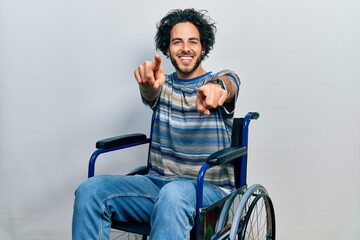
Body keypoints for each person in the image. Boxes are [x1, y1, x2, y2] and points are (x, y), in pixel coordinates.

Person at [72, 8, 240, 240]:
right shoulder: (163, 86)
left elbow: (230, 84)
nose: (185, 48)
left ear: (203, 47)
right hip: (156, 187)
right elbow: (151, 92)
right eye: (177, 42)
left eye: (193, 41)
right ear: (168, 49)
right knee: (89, 191)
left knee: (173, 194)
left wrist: (218, 88)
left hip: (209, 193)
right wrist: (147, 86)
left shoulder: (220, 80)